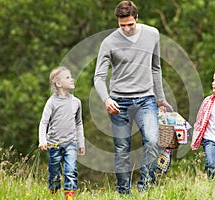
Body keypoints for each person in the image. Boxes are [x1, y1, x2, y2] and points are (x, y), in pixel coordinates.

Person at [94, 0, 172, 194]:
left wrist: (160, 98)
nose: (127, 29)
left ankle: (144, 188)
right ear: (117, 23)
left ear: (136, 18)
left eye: (130, 24)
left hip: (146, 99)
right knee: (122, 149)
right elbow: (98, 77)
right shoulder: (109, 42)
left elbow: (156, 67)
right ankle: (124, 192)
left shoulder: (152, 34)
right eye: (122, 26)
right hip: (118, 102)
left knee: (153, 141)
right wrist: (106, 99)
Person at [38, 66, 85, 200]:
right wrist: (43, 141)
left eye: (71, 76)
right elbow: (44, 122)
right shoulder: (51, 102)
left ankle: (69, 196)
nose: (72, 79)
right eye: (68, 77)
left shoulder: (76, 102)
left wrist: (81, 143)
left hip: (71, 143)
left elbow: (79, 124)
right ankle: (53, 192)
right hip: (54, 144)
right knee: (55, 172)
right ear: (58, 84)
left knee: (70, 170)